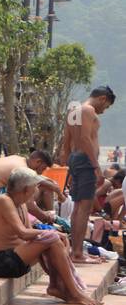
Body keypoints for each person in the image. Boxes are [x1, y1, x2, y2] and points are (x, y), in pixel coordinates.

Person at [0, 167, 98, 305]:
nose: (37, 191)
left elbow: (30, 234)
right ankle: (73, 292)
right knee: (52, 239)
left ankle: (57, 286)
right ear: (26, 189)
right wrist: (53, 234)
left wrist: (52, 236)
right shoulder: (3, 201)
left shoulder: (21, 204)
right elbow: (23, 233)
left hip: (13, 258)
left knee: (53, 241)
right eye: (35, 187)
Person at [56, 85, 116, 262]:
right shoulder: (88, 111)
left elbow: (66, 141)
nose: (103, 111)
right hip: (86, 161)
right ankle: (77, 253)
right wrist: (96, 166)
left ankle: (76, 249)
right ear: (103, 98)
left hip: (76, 159)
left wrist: (68, 164)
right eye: (105, 107)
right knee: (84, 207)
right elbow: (84, 139)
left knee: (78, 207)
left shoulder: (74, 109)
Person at [0, 149, 58, 218]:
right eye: (43, 168)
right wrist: (44, 216)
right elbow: (29, 203)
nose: (41, 172)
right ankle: (51, 218)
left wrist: (54, 186)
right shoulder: (22, 169)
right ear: (38, 162)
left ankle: (50, 215)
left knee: (44, 185)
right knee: (31, 190)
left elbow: (40, 179)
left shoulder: (17, 159)